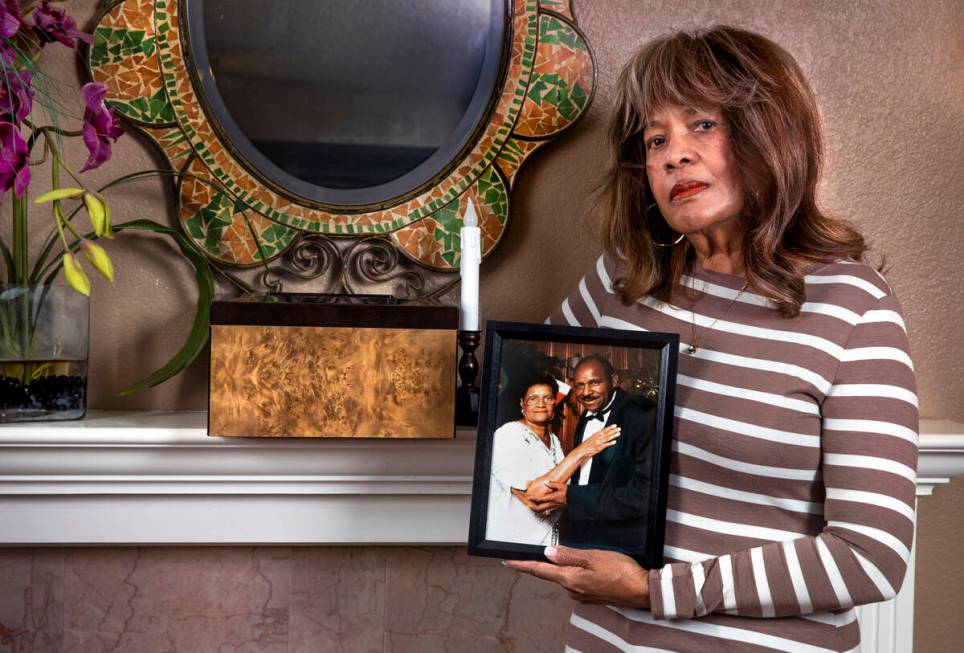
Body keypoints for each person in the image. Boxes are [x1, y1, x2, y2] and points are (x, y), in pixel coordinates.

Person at [507, 25, 918, 653]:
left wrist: (653, 590)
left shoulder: (853, 305)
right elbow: (526, 399)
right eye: (656, 139)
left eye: (703, 125)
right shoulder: (619, 284)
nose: (675, 155)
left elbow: (870, 558)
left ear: (769, 135)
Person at [518, 354, 655, 554]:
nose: (586, 392)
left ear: (613, 380)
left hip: (619, 544)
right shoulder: (586, 415)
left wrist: (572, 497)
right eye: (579, 385)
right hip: (581, 536)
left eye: (594, 383)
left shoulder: (640, 416)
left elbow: (644, 495)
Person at [486, 375, 621, 545]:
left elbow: (556, 491)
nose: (541, 404)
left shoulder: (553, 440)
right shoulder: (509, 434)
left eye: (548, 398)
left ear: (554, 404)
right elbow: (537, 495)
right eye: (533, 398)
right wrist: (585, 449)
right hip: (513, 542)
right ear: (522, 404)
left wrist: (557, 499)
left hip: (546, 542)